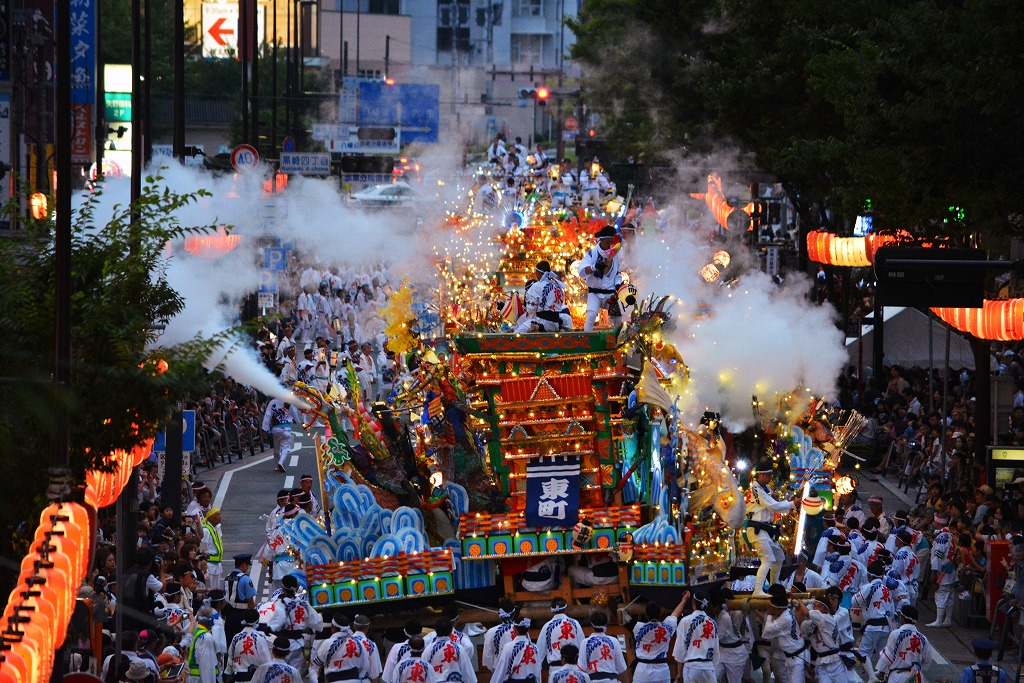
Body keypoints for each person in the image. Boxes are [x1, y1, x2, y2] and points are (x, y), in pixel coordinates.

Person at [744, 459, 794, 594]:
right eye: (768, 475)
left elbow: (775, 506)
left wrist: (780, 501)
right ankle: (758, 590)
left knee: (779, 557)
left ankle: (774, 586)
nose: (770, 478)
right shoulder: (756, 489)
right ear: (761, 475)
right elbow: (773, 506)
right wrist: (792, 503)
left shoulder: (766, 489)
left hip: (767, 529)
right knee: (767, 559)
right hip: (757, 528)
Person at [266, 574, 323, 671]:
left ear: (283, 587)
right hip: (299, 644)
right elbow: (316, 622)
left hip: (283, 645)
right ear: (296, 587)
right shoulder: (304, 604)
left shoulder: (281, 604)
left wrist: (269, 628)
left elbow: (277, 622)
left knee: (280, 671)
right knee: (294, 672)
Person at [853, 561, 894, 683]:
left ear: (869, 576)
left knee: (863, 652)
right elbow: (891, 610)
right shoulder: (887, 590)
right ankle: (885, 675)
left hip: (872, 626)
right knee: (885, 653)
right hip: (886, 626)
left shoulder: (867, 587)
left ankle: (872, 676)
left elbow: (854, 600)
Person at [632, 595, 687, 683]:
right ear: (660, 614)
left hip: (642, 671)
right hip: (662, 671)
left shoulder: (638, 627)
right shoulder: (667, 628)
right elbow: (675, 614)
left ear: (646, 615)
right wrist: (684, 600)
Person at [579, 227, 624, 332]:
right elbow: (582, 271)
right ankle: (587, 340)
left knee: (618, 318)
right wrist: (595, 267)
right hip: (595, 293)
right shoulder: (592, 254)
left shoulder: (616, 254)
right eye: (608, 242)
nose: (610, 245)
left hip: (610, 293)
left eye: (612, 242)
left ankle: (617, 340)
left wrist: (618, 285)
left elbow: (617, 273)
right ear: (601, 240)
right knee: (591, 317)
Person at [875, 605, 933, 683]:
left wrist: (881, 672)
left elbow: (887, 656)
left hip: (897, 677)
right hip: (916, 677)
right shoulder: (923, 638)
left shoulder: (896, 634)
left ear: (903, 618)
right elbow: (927, 661)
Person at [794, 597, 846, 683]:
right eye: (814, 606)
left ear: (826, 609)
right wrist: (798, 607)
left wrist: (799, 600)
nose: (816, 609)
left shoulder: (826, 618)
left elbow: (806, 612)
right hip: (822, 661)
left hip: (835, 662)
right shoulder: (814, 622)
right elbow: (800, 623)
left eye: (819, 606)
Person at [758, 592, 806, 683]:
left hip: (797, 658)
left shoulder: (785, 618)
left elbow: (767, 630)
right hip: (791, 657)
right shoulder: (786, 612)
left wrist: (769, 615)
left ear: (779, 609)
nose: (771, 610)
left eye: (773, 609)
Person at [671, 591, 718, 683]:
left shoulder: (685, 621)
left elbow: (680, 647)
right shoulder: (713, 623)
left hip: (692, 667)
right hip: (708, 666)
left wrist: (679, 673)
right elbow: (716, 649)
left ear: (693, 603)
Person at [310, 614, 369, 683]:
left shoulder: (327, 643)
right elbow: (364, 666)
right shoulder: (358, 643)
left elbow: (316, 665)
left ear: (333, 628)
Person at [516, 261, 572, 333]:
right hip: (556, 323)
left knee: (516, 335)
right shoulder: (558, 286)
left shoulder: (537, 286)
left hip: (542, 322)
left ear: (539, 273)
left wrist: (532, 321)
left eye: (536, 273)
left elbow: (531, 310)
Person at [711, 589, 749, 683]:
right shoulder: (718, 614)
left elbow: (716, 638)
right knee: (712, 678)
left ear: (716, 606)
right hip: (722, 651)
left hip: (735, 653)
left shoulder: (725, 617)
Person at [225, 609, 272, 683]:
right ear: (258, 621)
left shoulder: (236, 637)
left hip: (238, 679)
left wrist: (228, 675)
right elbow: (266, 663)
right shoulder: (260, 638)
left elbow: (230, 658)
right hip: (254, 679)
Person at [927, 513, 957, 628]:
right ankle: (947, 619)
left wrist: (934, 572)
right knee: (950, 595)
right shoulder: (951, 535)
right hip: (951, 569)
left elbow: (938, 556)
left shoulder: (941, 537)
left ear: (937, 522)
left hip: (942, 571)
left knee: (941, 594)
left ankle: (939, 621)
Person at [424, 617, 476, 683]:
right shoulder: (458, 648)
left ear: (436, 630)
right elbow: (467, 672)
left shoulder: (428, 649)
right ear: (451, 630)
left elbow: (425, 671)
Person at [578, 610, 626, 682]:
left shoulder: (585, 642)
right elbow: (622, 669)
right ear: (606, 624)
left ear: (591, 625)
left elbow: (581, 668)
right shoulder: (614, 641)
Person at [493, 616, 542, 683]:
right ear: (528, 629)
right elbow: (537, 671)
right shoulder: (534, 647)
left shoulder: (508, 647)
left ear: (514, 629)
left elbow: (502, 669)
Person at [537, 598, 583, 669]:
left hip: (555, 669)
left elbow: (539, 651)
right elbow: (582, 647)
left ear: (552, 611)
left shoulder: (547, 626)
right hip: (574, 669)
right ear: (566, 609)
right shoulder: (575, 623)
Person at [224, 554, 257, 642]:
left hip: (229, 614)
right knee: (242, 641)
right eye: (247, 565)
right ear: (243, 565)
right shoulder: (246, 579)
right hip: (242, 614)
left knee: (230, 640)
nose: (248, 568)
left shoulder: (227, 577)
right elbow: (250, 600)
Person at [262, 399, 300, 473]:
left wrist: (265, 429)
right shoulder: (289, 401)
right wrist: (295, 420)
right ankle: (281, 462)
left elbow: (267, 416)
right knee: (285, 447)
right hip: (286, 429)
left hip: (276, 429)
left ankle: (277, 465)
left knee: (276, 449)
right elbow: (295, 416)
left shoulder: (273, 402)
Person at [184, 608, 220, 683]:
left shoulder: (194, 632)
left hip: (192, 678)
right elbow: (206, 666)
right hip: (200, 679)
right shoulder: (206, 637)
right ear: (209, 621)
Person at [483, 600, 518, 672]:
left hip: (499, 672)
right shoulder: (520, 629)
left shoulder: (491, 632)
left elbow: (488, 657)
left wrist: (494, 671)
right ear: (514, 613)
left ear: (498, 614)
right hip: (519, 673)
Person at [352, 615, 383, 682]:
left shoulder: (345, 641)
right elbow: (374, 671)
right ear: (367, 627)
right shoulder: (371, 644)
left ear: (354, 625)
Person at [200, 509, 225, 589]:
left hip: (216, 564)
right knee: (209, 588)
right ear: (211, 518)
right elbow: (202, 547)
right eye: (217, 515)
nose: (220, 517)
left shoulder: (215, 530)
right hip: (209, 565)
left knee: (216, 589)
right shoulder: (206, 530)